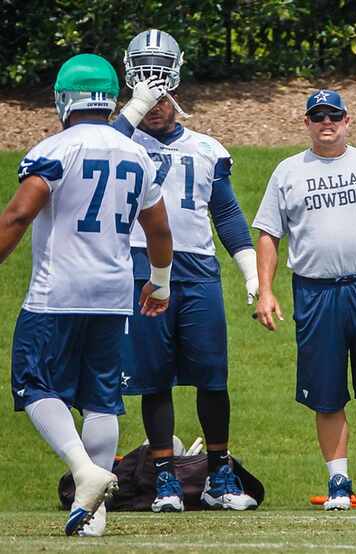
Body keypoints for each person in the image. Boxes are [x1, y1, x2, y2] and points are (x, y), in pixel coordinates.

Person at [0, 54, 172, 536]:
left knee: (34, 384)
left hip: (59, 290)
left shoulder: (55, 149)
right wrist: (159, 282)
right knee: (101, 398)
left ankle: (84, 469)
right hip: (114, 292)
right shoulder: (137, 153)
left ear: (64, 99)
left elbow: (18, 215)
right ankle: (92, 516)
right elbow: (158, 228)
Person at [253, 89, 356, 511]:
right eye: (317, 116)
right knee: (326, 393)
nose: (326, 122)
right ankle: (339, 482)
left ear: (348, 120)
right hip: (314, 291)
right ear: (306, 123)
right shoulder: (288, 171)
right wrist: (266, 289)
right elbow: (269, 234)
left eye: (334, 115)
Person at [117, 29, 259, 512]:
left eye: (161, 91)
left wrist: (251, 274)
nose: (154, 103)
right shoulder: (120, 141)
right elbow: (101, 143)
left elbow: (227, 215)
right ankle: (164, 479)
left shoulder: (205, 147)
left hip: (198, 269)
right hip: (140, 266)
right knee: (152, 377)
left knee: (211, 376)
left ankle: (220, 475)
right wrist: (132, 111)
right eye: (145, 90)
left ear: (175, 87)